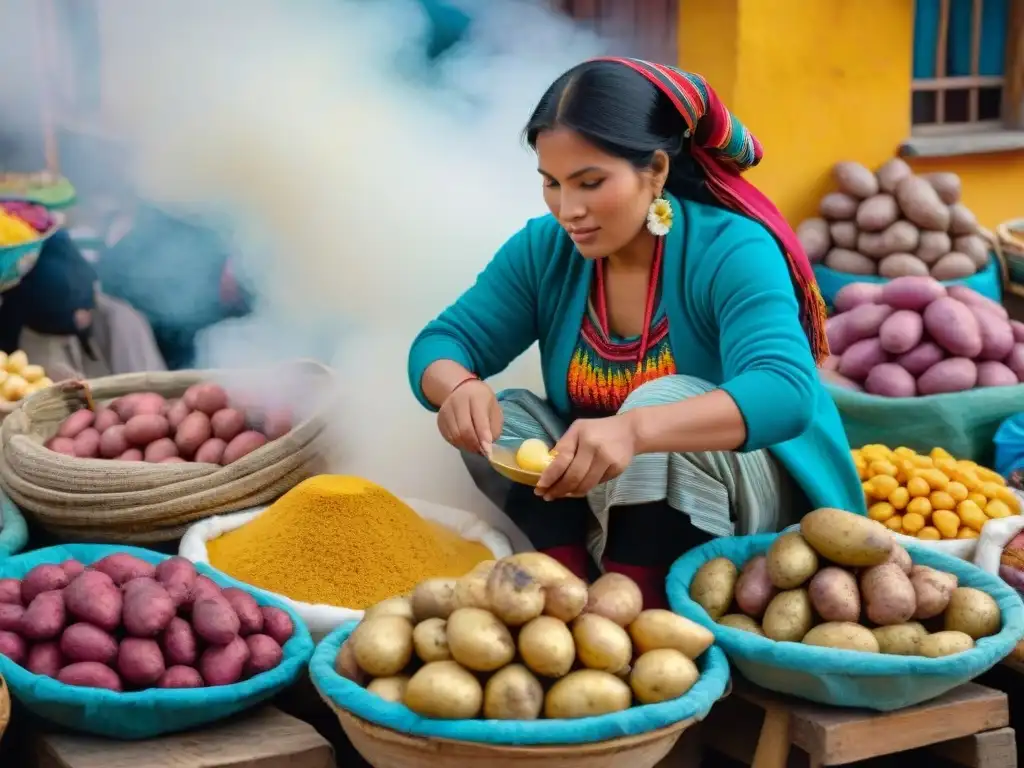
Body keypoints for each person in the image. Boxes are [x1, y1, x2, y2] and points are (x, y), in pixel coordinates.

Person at [407, 58, 864, 607]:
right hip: (607, 493)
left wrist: (637, 430)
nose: (568, 210)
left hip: (747, 506)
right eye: (551, 184)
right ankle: (566, 587)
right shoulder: (545, 249)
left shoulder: (732, 250)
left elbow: (788, 392)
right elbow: (442, 342)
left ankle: (636, 603)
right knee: (503, 417)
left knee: (658, 401)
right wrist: (457, 388)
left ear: (655, 170)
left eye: (590, 182)